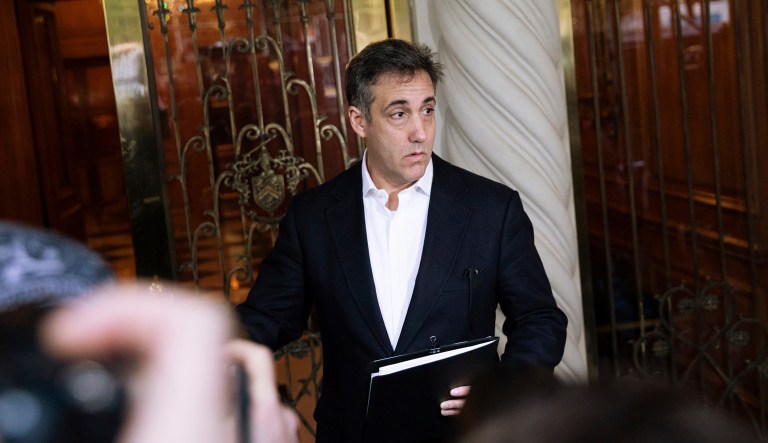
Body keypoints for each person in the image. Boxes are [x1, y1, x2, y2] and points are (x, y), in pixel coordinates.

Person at [236, 38, 568, 442]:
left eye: (427, 110)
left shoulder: (491, 209)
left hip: (462, 433)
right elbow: (268, 318)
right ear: (359, 121)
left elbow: (540, 318)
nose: (420, 132)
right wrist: (192, 347)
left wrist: (504, 387)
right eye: (399, 114)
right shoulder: (313, 216)